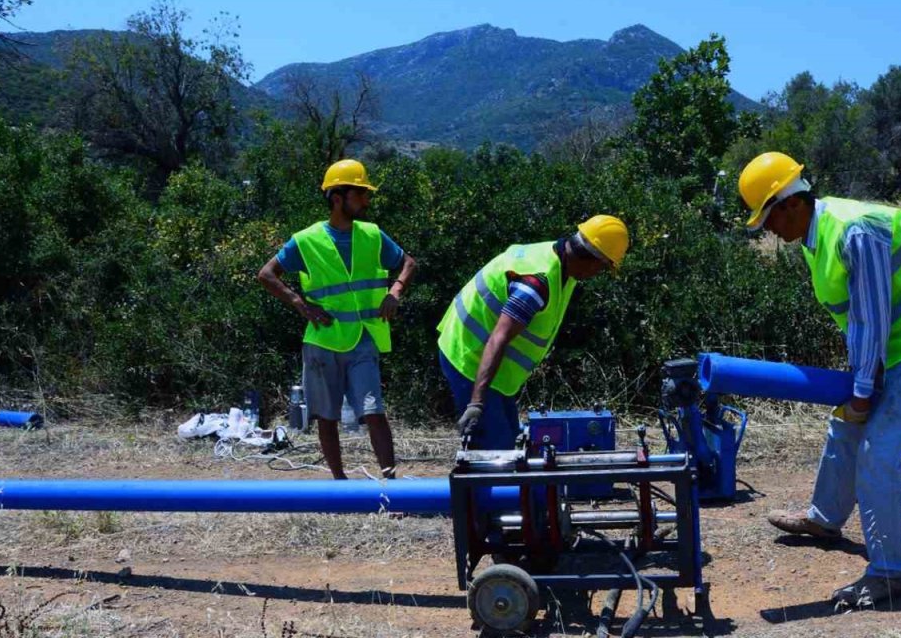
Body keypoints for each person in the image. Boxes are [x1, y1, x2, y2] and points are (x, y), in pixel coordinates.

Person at [738, 152, 901, 608]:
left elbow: (871, 316)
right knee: (845, 422)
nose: (767, 230)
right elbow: (860, 319)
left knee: (878, 451)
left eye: (767, 217)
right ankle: (824, 519)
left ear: (790, 204)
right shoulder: (815, 237)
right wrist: (860, 389)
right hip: (894, 342)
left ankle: (888, 573)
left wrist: (864, 390)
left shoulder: (855, 231)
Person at [257, 159, 416, 479]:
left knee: (374, 412)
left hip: (363, 338)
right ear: (337, 197)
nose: (367, 201)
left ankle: (391, 484)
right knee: (326, 417)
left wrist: (395, 291)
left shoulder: (372, 235)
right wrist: (300, 304)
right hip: (323, 341)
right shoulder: (306, 240)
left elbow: (408, 263)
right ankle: (340, 485)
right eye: (361, 194)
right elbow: (266, 274)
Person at [436, 216, 629, 449]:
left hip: (493, 366)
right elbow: (499, 338)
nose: (599, 274)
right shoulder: (536, 284)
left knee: (509, 438)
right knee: (495, 450)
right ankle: (481, 485)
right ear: (591, 259)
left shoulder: (561, 261)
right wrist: (476, 403)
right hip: (468, 355)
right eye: (603, 267)